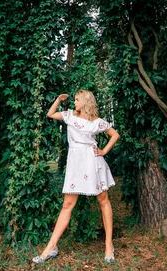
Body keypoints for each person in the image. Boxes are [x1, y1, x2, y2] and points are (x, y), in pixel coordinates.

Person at [32, 90, 120, 264]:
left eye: (77, 100)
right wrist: (57, 99)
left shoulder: (97, 122)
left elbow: (115, 135)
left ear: (86, 101)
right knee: (67, 205)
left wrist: (103, 151)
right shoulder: (70, 116)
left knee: (103, 201)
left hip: (93, 162)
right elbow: (50, 114)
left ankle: (109, 245)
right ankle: (51, 248)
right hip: (75, 163)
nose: (74, 102)